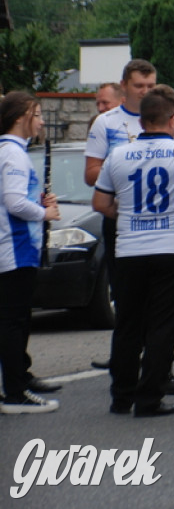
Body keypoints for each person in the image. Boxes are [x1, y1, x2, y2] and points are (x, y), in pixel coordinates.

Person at [92, 86, 174, 417]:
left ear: (142, 121)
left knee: (128, 324)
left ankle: (121, 396)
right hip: (170, 247)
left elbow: (100, 203)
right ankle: (149, 398)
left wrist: (127, 215)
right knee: (163, 325)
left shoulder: (119, 155)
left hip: (129, 248)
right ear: (171, 120)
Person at [85, 59, 174, 394]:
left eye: (150, 85)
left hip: (165, 222)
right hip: (123, 218)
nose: (145, 92)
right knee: (131, 309)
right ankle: (131, 381)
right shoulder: (106, 122)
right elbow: (91, 174)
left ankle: (160, 372)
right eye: (138, 86)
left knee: (162, 310)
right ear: (124, 87)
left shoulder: (173, 118)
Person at [0, 92, 61, 414]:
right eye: (37, 114)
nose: (40, 121)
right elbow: (13, 202)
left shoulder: (10, 151)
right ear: (22, 116)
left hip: (15, 247)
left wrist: (40, 202)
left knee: (13, 320)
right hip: (15, 248)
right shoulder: (13, 154)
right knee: (14, 321)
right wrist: (44, 213)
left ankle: (16, 382)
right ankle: (15, 393)